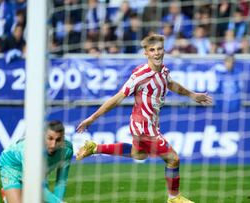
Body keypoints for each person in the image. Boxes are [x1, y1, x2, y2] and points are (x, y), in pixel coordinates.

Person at [76, 34, 212, 203]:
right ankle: (174, 198)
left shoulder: (164, 70)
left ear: (164, 50)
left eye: (159, 49)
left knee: (138, 154)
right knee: (173, 158)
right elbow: (116, 98)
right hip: (142, 126)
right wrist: (92, 118)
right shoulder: (140, 75)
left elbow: (171, 84)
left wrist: (192, 95)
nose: (157, 53)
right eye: (152, 50)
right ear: (145, 53)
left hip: (152, 124)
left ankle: (95, 147)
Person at [0, 120, 73, 203]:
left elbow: (61, 181)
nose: (53, 145)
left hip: (37, 170)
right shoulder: (31, 149)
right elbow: (33, 184)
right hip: (12, 165)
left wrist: (58, 201)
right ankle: (8, 196)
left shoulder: (67, 150)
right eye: (50, 139)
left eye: (58, 140)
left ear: (63, 137)